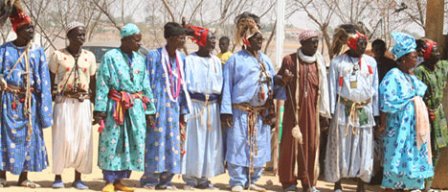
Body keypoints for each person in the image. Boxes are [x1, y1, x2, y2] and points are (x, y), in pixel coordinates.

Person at [221, 12, 284, 192]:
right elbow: (227, 86)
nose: (260, 41)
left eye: (261, 38)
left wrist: (281, 82)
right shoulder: (235, 60)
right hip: (240, 112)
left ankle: (253, 179)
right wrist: (226, 111)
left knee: (259, 147)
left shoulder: (265, 61)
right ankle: (237, 181)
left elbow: (272, 84)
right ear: (247, 39)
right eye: (256, 38)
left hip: (260, 113)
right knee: (238, 146)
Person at [93, 23, 156, 192]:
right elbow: (102, 83)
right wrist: (100, 110)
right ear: (126, 40)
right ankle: (108, 181)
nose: (139, 44)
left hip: (135, 108)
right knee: (112, 141)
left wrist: (150, 110)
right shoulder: (110, 57)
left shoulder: (140, 59)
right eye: (136, 41)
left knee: (131, 143)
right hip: (116, 107)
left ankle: (120, 181)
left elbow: (145, 85)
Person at [0, 9, 53, 188]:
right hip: (8, 100)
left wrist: (45, 111)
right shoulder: (4, 50)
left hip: (30, 102)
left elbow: (45, 82)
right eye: (28, 28)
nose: (32, 31)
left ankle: (24, 177)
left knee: (28, 137)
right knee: (4, 137)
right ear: (17, 30)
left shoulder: (37, 53)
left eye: (33, 28)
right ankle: (2, 175)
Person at [324, 26, 378, 192]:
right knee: (341, 143)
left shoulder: (371, 62)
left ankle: (361, 183)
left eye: (365, 44)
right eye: (360, 43)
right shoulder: (338, 62)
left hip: (364, 110)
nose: (363, 47)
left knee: (364, 144)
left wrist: (375, 113)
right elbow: (331, 87)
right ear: (351, 44)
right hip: (344, 109)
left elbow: (375, 88)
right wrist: (329, 112)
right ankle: (337, 182)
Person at [378, 32, 434, 191]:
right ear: (403, 58)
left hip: (413, 132)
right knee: (394, 170)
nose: (416, 59)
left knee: (408, 170)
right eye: (413, 56)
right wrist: (382, 125)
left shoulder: (411, 77)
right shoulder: (393, 75)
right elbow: (386, 102)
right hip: (397, 131)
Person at [277, 30, 330, 192]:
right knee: (289, 145)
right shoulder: (289, 60)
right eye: (312, 42)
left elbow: (323, 90)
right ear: (302, 43)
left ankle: (309, 183)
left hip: (312, 113)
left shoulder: (318, 62)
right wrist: (284, 80)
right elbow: (278, 82)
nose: (315, 45)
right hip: (293, 112)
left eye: (317, 42)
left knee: (311, 146)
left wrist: (324, 114)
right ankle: (289, 182)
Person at [140, 22, 191, 190]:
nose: (183, 39)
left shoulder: (181, 58)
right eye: (180, 36)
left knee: (173, 144)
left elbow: (183, 86)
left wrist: (183, 110)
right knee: (155, 142)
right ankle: (150, 179)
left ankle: (166, 180)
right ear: (169, 38)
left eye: (184, 36)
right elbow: (146, 82)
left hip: (174, 108)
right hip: (157, 107)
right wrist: (148, 109)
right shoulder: (154, 56)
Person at [49, 21, 96, 190]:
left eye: (83, 34)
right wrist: (48, 105)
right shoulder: (57, 55)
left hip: (83, 104)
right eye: (78, 34)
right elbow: (50, 80)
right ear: (68, 36)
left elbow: (93, 83)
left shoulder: (89, 56)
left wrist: (96, 108)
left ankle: (78, 178)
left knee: (82, 140)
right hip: (63, 103)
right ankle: (58, 176)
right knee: (63, 139)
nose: (82, 37)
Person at [181, 25, 224, 190]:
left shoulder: (216, 62)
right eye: (211, 39)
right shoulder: (190, 60)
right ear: (201, 41)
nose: (214, 42)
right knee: (193, 142)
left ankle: (205, 178)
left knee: (210, 142)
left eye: (214, 39)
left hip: (212, 107)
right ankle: (191, 179)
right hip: (195, 106)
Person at [414, 38, 448, 190]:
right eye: (434, 51)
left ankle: (427, 185)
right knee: (425, 149)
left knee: (438, 148)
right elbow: (416, 96)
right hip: (425, 114)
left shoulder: (442, 67)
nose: (438, 54)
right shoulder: (420, 71)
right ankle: (422, 185)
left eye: (438, 50)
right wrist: (426, 111)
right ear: (426, 54)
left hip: (438, 114)